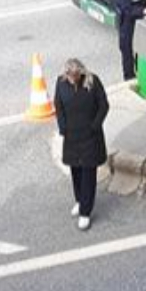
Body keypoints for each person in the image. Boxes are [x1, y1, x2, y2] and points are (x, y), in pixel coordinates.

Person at [53, 58, 109, 231]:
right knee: (75, 170)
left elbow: (103, 105)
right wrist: (63, 128)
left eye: (75, 75)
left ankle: (86, 211)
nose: (72, 78)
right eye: (69, 75)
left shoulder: (93, 82)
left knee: (88, 175)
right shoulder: (61, 83)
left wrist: (95, 125)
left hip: (90, 136)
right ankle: (79, 200)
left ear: (81, 73)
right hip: (72, 137)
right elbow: (58, 105)